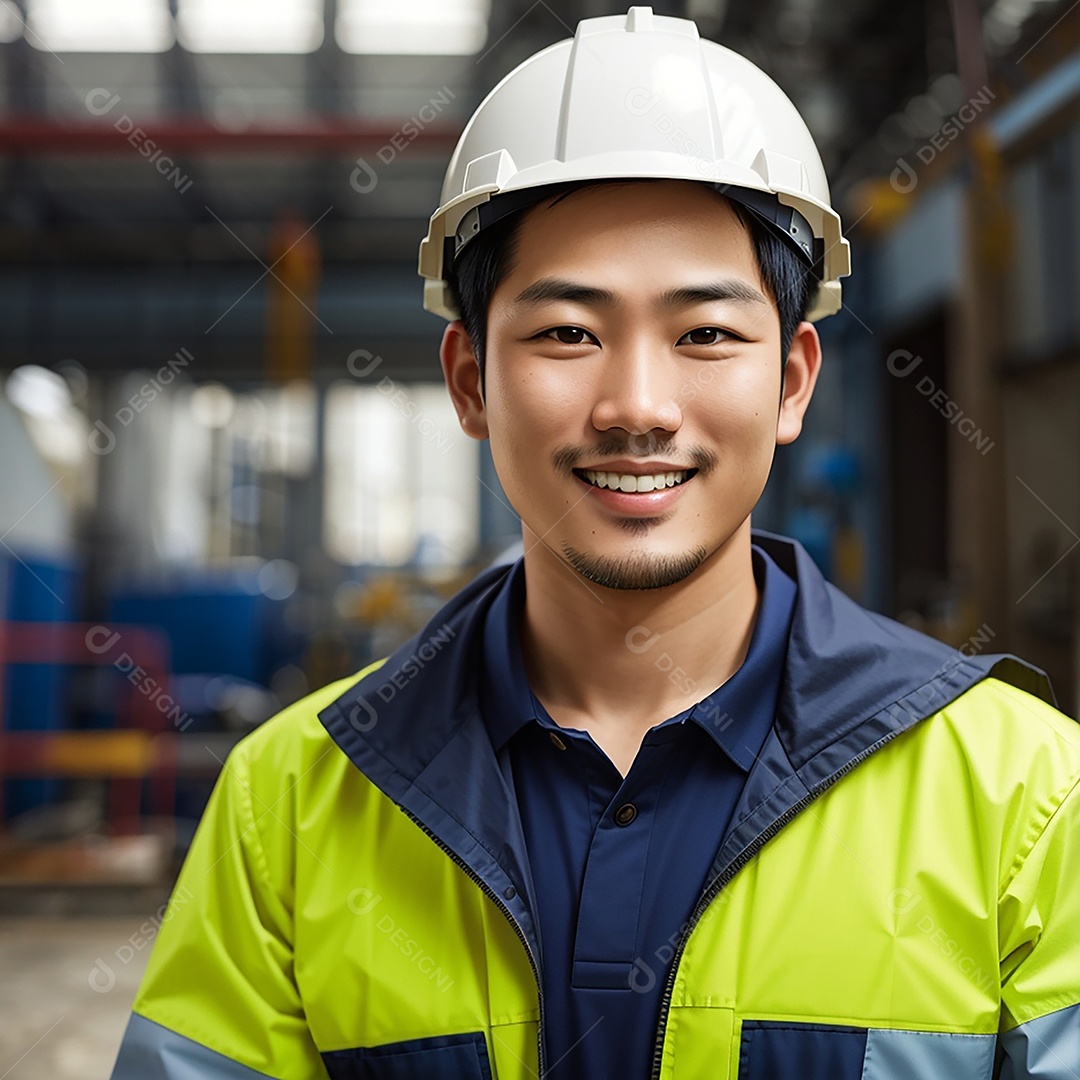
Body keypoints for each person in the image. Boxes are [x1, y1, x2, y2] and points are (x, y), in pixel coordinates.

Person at [109, 7, 1080, 1079]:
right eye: (568, 332)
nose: (638, 406)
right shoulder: (290, 802)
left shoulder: (1022, 793)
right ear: (471, 381)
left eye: (706, 333)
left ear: (794, 380)